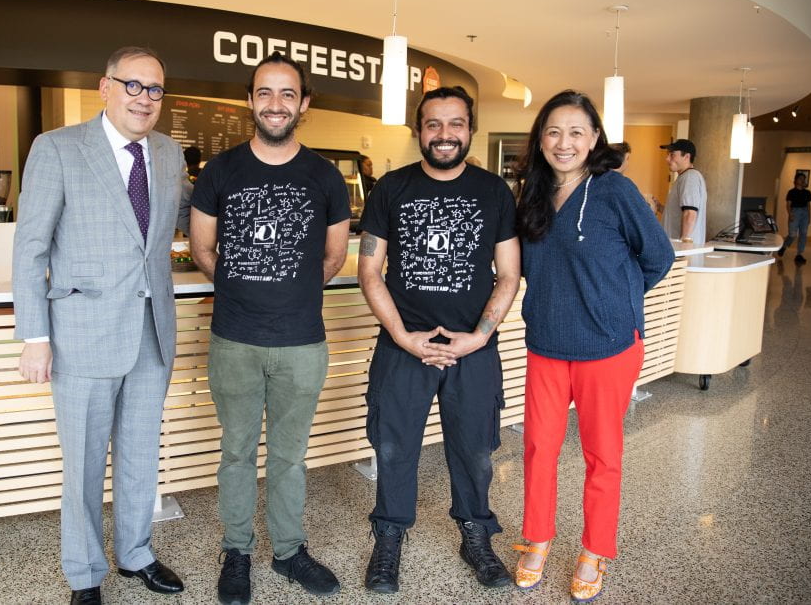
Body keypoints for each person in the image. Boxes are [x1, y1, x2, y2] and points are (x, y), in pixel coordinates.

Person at [13, 46, 191, 605]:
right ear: (104, 87)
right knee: (85, 465)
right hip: (82, 332)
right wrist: (35, 337)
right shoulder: (58, 148)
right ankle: (86, 574)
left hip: (151, 330)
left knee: (141, 453)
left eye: (155, 89)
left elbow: (177, 227)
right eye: (133, 85)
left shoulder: (168, 153)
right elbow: (30, 248)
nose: (144, 98)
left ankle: (136, 553)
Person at [190, 52, 350, 605]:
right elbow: (201, 248)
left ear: (303, 104)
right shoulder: (221, 171)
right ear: (250, 100)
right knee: (235, 451)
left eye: (287, 94)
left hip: (303, 342)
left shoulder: (325, 176)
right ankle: (236, 550)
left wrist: (290, 290)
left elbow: (334, 257)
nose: (275, 104)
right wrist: (242, 285)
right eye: (265, 92)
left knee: (289, 455)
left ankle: (287, 552)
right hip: (233, 338)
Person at [358, 86, 521, 594]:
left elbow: (509, 275)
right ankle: (388, 538)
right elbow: (369, 270)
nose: (444, 134)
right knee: (393, 446)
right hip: (403, 348)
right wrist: (403, 337)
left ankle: (475, 533)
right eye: (434, 124)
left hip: (472, 352)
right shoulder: (390, 187)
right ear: (419, 130)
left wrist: (478, 336)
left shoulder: (494, 192)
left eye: (455, 124)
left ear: (470, 129)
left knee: (474, 450)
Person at [511, 90, 674, 601]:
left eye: (576, 132)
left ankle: (594, 549)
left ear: (594, 139)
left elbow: (659, 256)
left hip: (607, 347)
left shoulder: (614, 191)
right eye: (554, 132)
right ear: (540, 138)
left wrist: (614, 303)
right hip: (546, 343)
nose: (565, 142)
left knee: (602, 455)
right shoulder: (531, 195)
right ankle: (537, 539)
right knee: (539, 449)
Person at [657, 138, 707, 245]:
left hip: (682, 251)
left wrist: (683, 247)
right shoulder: (684, 178)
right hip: (676, 248)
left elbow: (690, 213)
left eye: (672, 155)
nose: (667, 159)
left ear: (687, 157)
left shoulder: (690, 177)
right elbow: (679, 212)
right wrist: (659, 206)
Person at [777, 172, 811, 262]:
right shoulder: (791, 192)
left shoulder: (807, 192)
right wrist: (790, 214)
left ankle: (799, 254)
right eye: (800, 178)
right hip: (795, 212)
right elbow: (788, 204)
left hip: (805, 213)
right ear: (795, 180)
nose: (802, 180)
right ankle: (784, 246)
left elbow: (808, 205)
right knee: (792, 235)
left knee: (803, 234)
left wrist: (809, 216)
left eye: (804, 179)